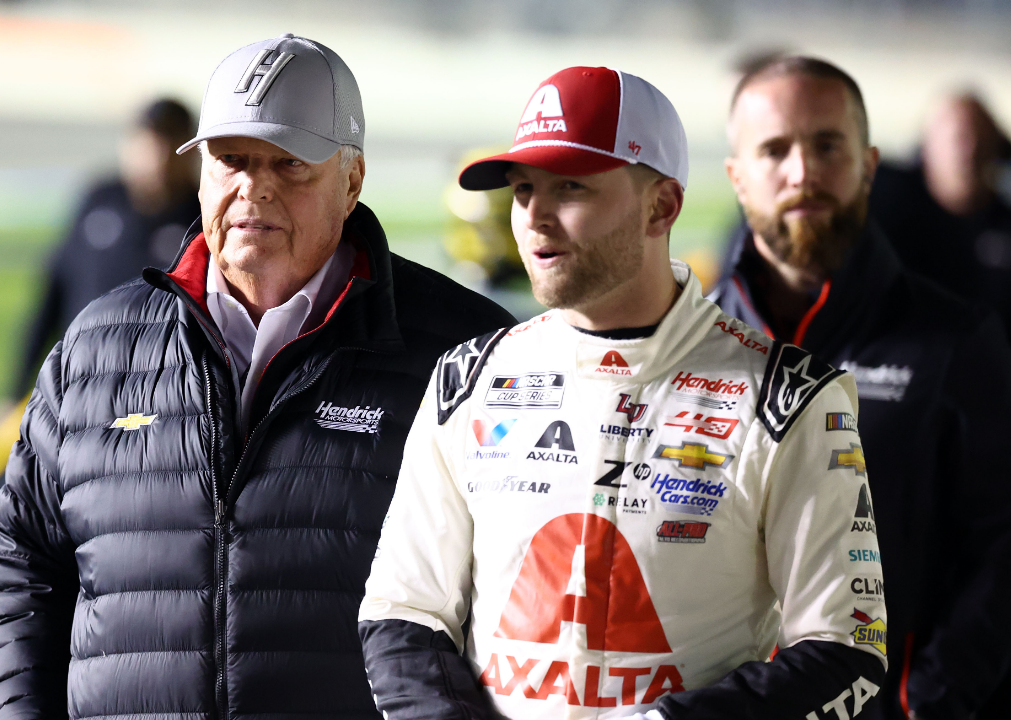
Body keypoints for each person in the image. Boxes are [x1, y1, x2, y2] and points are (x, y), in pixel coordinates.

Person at [0, 34, 514, 720]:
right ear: (201, 172)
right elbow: (25, 560)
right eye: (231, 159)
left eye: (289, 164)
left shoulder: (466, 352)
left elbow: (524, 591)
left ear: (352, 180)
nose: (253, 187)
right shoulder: (96, 346)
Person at [360, 66, 889, 720]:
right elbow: (403, 609)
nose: (535, 218)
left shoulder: (792, 398)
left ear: (662, 206)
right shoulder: (468, 378)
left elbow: (846, 650)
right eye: (524, 190)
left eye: (570, 187)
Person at [709, 56, 1011, 719]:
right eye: (775, 149)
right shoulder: (690, 344)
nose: (802, 171)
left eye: (827, 145)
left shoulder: (957, 343)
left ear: (869, 163)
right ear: (737, 176)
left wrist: (923, 699)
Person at [5, 98, 203, 404]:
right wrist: (15, 389)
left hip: (157, 394)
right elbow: (53, 290)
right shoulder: (99, 199)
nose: (158, 156)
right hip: (76, 382)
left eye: (171, 143)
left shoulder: (202, 220)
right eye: (150, 142)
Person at [868, 93, 1011, 397]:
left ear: (998, 148)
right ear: (926, 146)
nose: (968, 150)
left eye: (978, 138)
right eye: (957, 138)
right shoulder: (885, 216)